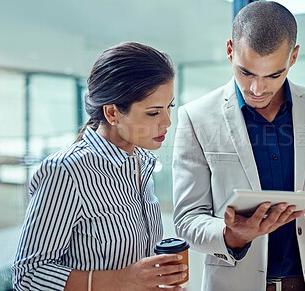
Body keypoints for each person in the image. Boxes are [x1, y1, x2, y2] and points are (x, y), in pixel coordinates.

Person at [172, 2, 305, 291]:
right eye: (246, 72)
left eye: (273, 75)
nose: (257, 89)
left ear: (294, 57)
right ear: (230, 50)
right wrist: (232, 235)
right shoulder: (196, 117)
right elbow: (187, 219)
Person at [12, 42, 188, 291]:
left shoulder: (142, 163)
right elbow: (28, 277)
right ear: (112, 113)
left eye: (168, 107)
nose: (168, 122)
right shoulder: (66, 171)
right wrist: (124, 280)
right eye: (153, 113)